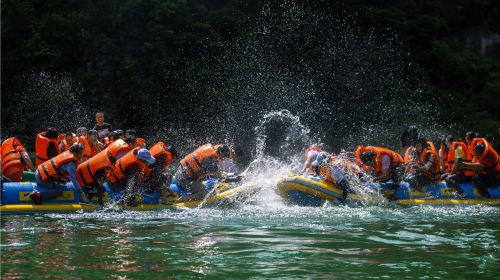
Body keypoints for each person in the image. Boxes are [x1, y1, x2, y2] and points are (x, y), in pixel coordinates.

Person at [77, 138, 131, 204]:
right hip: (89, 178)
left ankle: (97, 199)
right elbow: (99, 179)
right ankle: (97, 201)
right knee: (100, 187)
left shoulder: (105, 160)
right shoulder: (103, 165)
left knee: (101, 186)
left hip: (91, 174)